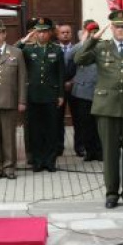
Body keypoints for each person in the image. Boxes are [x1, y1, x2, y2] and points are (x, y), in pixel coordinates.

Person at [74, 10, 123, 209]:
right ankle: (111, 193)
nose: (119, 30)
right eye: (116, 26)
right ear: (111, 27)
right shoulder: (102, 47)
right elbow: (78, 59)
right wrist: (92, 40)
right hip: (106, 106)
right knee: (109, 153)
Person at [18, 18, 65, 172]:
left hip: (51, 95)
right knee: (35, 130)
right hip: (33, 95)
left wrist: (61, 95)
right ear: (34, 33)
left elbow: (61, 74)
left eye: (45, 31)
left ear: (50, 33)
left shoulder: (56, 49)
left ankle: (50, 161)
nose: (42, 34)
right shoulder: (28, 49)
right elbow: (13, 52)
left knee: (51, 129)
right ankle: (37, 161)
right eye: (39, 31)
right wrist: (24, 40)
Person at [0, 19, 26, 180]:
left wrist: (22, 100)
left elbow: (22, 78)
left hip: (9, 101)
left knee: (9, 136)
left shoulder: (16, 52)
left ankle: (9, 167)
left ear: (4, 34)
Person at [69, 20, 102, 162]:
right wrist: (83, 42)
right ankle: (89, 151)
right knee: (85, 123)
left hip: (99, 90)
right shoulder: (80, 46)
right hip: (82, 91)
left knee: (99, 124)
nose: (93, 34)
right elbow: (69, 56)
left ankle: (100, 151)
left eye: (95, 31)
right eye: (90, 31)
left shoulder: (103, 45)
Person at [55, 23, 75, 156]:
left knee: (78, 119)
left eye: (68, 32)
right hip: (58, 89)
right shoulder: (53, 49)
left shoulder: (78, 48)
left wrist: (73, 81)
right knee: (57, 119)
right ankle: (58, 146)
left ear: (71, 34)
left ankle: (79, 146)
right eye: (62, 32)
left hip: (75, 87)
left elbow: (82, 68)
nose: (65, 34)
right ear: (58, 35)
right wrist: (61, 83)